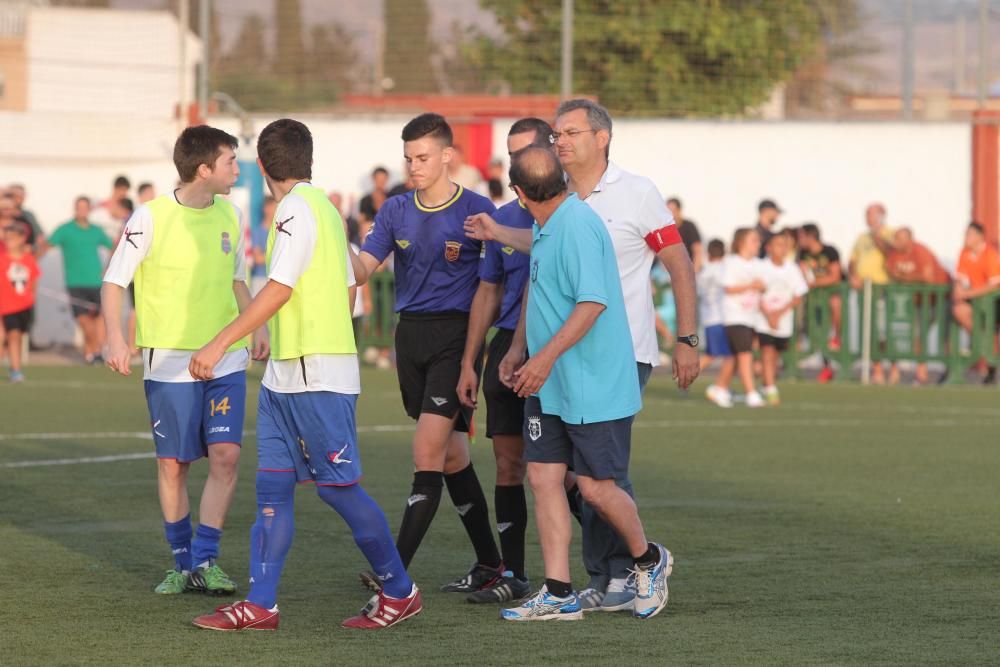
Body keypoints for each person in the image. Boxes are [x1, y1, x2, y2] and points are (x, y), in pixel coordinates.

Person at [465, 98, 698, 612]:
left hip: (617, 351)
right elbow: (542, 267)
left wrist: (686, 338)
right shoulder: (558, 203)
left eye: (569, 132)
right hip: (556, 359)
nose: (560, 141)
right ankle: (581, 583)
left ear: (602, 137)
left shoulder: (635, 194)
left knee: (600, 478)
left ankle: (631, 568)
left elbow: (676, 263)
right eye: (556, 134)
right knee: (554, 475)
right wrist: (522, 344)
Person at [188, 118, 420, 632]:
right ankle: (261, 604)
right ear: (306, 159)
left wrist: (221, 339)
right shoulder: (324, 209)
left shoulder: (296, 208)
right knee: (271, 490)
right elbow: (348, 285)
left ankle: (400, 592)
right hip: (285, 376)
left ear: (264, 166)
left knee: (338, 489)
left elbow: (280, 288)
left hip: (316, 375)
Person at [498, 146, 672, 622]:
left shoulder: (576, 225)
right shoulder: (545, 223)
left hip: (592, 381)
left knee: (595, 489)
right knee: (543, 477)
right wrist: (521, 352)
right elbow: (542, 291)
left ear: (517, 192)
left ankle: (648, 559)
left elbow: (592, 304)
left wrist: (543, 359)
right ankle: (558, 592)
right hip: (551, 382)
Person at [102, 125, 268, 596]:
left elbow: (238, 280)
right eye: (230, 161)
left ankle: (206, 560)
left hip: (226, 357)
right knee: (174, 464)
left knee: (226, 455)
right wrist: (116, 338)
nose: (238, 169)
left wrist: (256, 324)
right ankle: (181, 563)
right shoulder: (149, 218)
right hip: (169, 361)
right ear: (203, 169)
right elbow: (114, 281)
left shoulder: (232, 216)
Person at [354, 113, 505, 593]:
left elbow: (493, 283)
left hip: (455, 337)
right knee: (453, 456)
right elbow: (362, 268)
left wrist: (471, 359)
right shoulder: (396, 209)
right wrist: (327, 238)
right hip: (410, 337)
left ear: (446, 156)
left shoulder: (479, 211)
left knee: (425, 453)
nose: (413, 166)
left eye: (422, 157)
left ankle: (394, 576)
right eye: (408, 158)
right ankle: (490, 564)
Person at [456, 117, 552, 605]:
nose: (518, 161)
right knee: (509, 465)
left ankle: (617, 568)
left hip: (556, 351)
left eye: (527, 150)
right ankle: (513, 574)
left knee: (568, 473)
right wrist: (471, 360)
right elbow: (489, 290)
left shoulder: (571, 210)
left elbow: (554, 252)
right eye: (512, 154)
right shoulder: (504, 215)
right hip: (506, 354)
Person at [43, 196, 113, 364]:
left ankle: (90, 354)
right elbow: (46, 246)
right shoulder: (65, 229)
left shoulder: (96, 230)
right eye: (79, 207)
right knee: (83, 320)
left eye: (85, 207)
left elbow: (114, 247)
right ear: (75, 209)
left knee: (98, 319)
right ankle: (97, 351)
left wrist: (108, 268)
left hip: (95, 282)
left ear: (89, 209)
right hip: (75, 282)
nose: (82, 210)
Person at [706, 228, 766, 408]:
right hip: (734, 316)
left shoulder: (758, 264)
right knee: (744, 354)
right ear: (741, 243)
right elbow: (728, 287)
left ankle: (719, 388)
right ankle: (751, 393)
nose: (758, 244)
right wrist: (751, 285)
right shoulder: (731, 263)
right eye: (754, 240)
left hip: (751, 316)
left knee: (732, 357)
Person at [885, 227, 949, 385]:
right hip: (916, 302)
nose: (895, 242)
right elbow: (892, 274)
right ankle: (920, 373)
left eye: (899, 238)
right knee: (910, 335)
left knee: (943, 337)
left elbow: (928, 278)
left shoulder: (921, 251)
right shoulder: (894, 254)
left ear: (909, 239)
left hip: (939, 298)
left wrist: (906, 277)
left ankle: (946, 371)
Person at [756, 232, 809, 405]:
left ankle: (765, 384)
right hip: (763, 319)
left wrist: (779, 314)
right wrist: (768, 314)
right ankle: (771, 389)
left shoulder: (791, 268)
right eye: (778, 244)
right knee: (767, 351)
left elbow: (799, 294)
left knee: (774, 355)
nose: (782, 248)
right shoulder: (761, 266)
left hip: (783, 321)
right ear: (768, 248)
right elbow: (756, 292)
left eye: (784, 245)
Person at [848, 203, 894, 384]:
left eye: (872, 215)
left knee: (884, 330)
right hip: (864, 291)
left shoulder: (890, 234)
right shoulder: (861, 237)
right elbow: (853, 260)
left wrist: (878, 233)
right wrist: (853, 276)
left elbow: (890, 253)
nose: (868, 218)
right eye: (866, 214)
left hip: (882, 289)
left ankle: (892, 367)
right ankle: (876, 368)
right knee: (870, 330)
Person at [798, 223, 843, 381]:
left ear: (811, 236)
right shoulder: (802, 253)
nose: (799, 240)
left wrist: (814, 283)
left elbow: (835, 276)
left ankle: (837, 337)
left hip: (828, 296)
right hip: (811, 299)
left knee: (835, 303)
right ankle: (826, 366)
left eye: (802, 236)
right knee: (814, 332)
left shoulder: (830, 251)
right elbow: (801, 273)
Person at [0, 219, 41, 382]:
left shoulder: (28, 259)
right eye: (7, 238)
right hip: (5, 306)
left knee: (15, 337)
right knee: (8, 336)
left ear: (22, 239)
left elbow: (34, 280)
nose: (9, 241)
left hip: (22, 306)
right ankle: (15, 370)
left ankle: (15, 369)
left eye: (13, 238)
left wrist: (32, 297)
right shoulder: (2, 259)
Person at [697, 239, 730, 373]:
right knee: (726, 355)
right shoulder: (725, 270)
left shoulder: (703, 273)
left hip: (708, 317)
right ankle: (685, 375)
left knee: (713, 353)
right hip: (722, 317)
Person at [667, 197, 702, 272]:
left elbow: (697, 250)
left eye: (672, 211)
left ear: (679, 210)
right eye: (667, 211)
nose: (670, 214)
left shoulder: (689, 226)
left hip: (688, 269)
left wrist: (694, 271)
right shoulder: (665, 229)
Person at [250, 196, 276, 296]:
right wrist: (278, 255)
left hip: (274, 280)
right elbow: (257, 258)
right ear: (266, 209)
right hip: (260, 279)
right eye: (274, 207)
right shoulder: (257, 232)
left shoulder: (278, 233)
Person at [92, 175, 131, 240]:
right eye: (122, 190)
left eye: (126, 191)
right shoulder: (101, 207)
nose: (124, 194)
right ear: (115, 188)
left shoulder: (126, 210)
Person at [6, 184, 45, 250]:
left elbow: (40, 237)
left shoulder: (28, 215)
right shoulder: (3, 215)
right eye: (15, 195)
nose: (18, 198)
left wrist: (33, 248)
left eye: (21, 195)